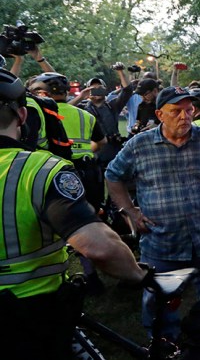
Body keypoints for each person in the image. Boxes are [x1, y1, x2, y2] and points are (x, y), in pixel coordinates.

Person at [0, 69, 149, 360]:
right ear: (21, 116)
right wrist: (140, 276)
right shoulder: (40, 169)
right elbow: (99, 246)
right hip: (34, 311)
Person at [105, 86, 200, 341]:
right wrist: (130, 211)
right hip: (162, 241)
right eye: (176, 111)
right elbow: (113, 176)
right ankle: (164, 344)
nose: (185, 116)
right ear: (159, 114)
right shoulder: (139, 145)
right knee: (160, 301)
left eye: (189, 110)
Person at [71, 63, 134, 168]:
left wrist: (120, 71)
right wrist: (81, 97)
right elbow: (61, 109)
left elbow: (127, 91)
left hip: (114, 151)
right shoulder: (82, 108)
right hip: (94, 152)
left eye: (99, 88)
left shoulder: (112, 105)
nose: (97, 91)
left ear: (105, 90)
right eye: (93, 89)